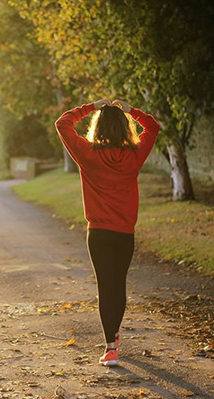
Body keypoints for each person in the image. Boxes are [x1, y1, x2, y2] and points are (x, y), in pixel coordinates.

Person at [55, 98, 161, 366]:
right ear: (125, 128)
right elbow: (153, 127)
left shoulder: (87, 154)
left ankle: (110, 347)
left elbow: (62, 123)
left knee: (106, 286)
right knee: (119, 285)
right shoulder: (134, 155)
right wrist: (131, 110)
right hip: (124, 233)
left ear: (98, 128)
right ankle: (114, 337)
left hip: (99, 233)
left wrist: (91, 107)